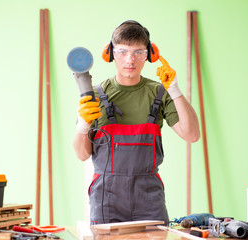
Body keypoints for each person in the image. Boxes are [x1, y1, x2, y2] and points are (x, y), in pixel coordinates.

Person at [73, 20, 200, 225]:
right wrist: (83, 125)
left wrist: (175, 91)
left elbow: (192, 135)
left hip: (149, 200)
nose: (130, 60)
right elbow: (82, 154)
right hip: (106, 200)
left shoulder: (159, 92)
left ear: (149, 54)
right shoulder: (94, 95)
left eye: (138, 52)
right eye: (122, 51)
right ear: (111, 53)